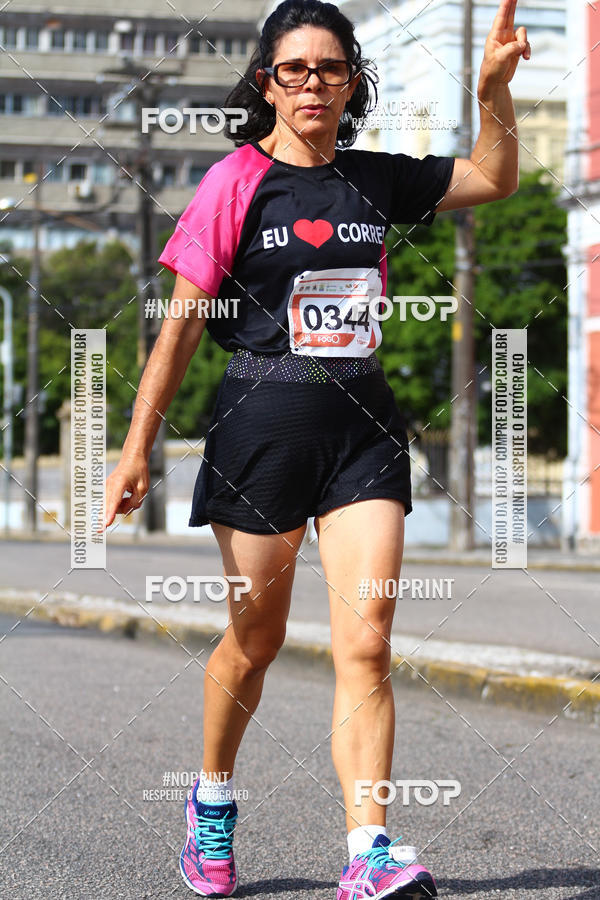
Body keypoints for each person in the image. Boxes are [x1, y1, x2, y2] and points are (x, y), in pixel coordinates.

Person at [104, 0, 529, 896]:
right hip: (260, 429)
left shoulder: (376, 180)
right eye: (292, 69)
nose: (311, 85)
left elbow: (495, 177)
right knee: (253, 644)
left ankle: (368, 851)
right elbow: (181, 327)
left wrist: (493, 94)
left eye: (330, 68)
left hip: (363, 432)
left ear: (351, 82)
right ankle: (211, 804)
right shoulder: (234, 182)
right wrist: (136, 447)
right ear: (266, 83)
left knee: (367, 647)